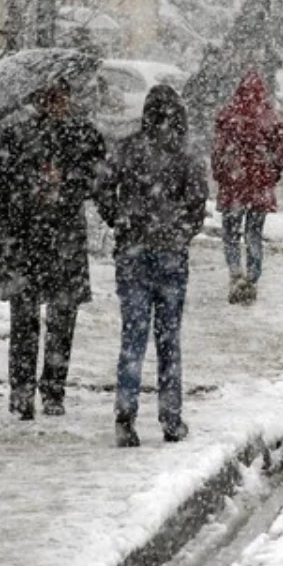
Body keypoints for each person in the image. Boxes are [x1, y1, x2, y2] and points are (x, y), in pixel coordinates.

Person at [97, 85, 208, 447]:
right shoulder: (185, 154)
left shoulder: (127, 148)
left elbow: (101, 188)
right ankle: (171, 417)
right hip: (170, 256)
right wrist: (179, 231)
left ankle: (125, 415)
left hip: (132, 254)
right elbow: (197, 203)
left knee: (133, 337)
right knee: (168, 339)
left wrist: (119, 218)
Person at [0, 79, 107, 420]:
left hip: (65, 238)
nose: (57, 104)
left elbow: (96, 178)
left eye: (62, 97)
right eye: (50, 98)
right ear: (38, 100)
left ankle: (54, 390)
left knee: (62, 318)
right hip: (27, 237)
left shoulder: (85, 135)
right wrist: (32, 187)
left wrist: (67, 183)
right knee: (24, 319)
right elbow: (3, 185)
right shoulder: (16, 135)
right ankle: (22, 391)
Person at [211, 69, 283, 305]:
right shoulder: (271, 118)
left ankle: (235, 272)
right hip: (259, 187)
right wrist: (271, 175)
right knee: (254, 234)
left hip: (234, 186)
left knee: (231, 235)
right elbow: (282, 153)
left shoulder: (228, 117)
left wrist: (222, 176)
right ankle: (253, 277)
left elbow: (218, 152)